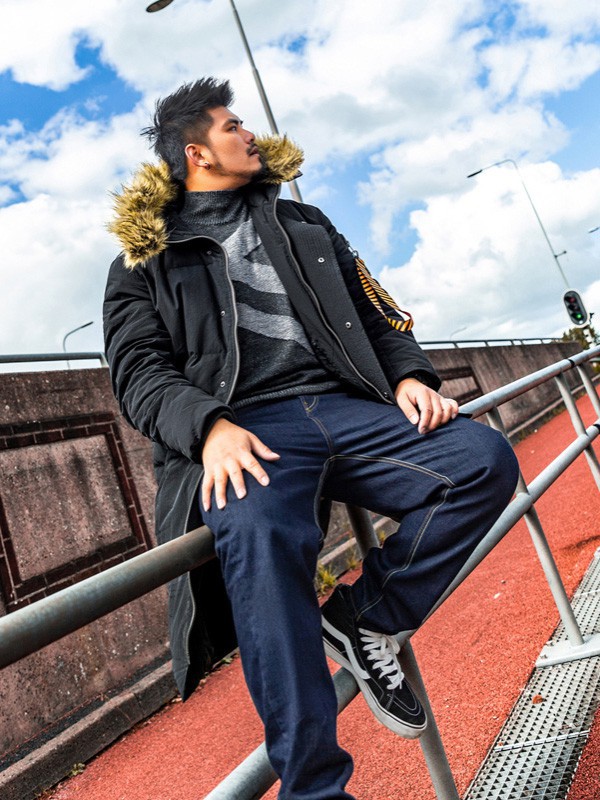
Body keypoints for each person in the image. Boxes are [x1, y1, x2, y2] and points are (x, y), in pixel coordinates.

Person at [104, 77, 519, 800]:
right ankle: (315, 790)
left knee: (481, 460)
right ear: (197, 153)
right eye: (233, 126)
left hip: (346, 405)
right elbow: (137, 370)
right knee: (261, 543)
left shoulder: (304, 222)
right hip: (245, 428)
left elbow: (377, 311)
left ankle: (366, 616)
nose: (250, 134)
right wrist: (208, 427)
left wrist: (410, 375)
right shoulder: (144, 259)